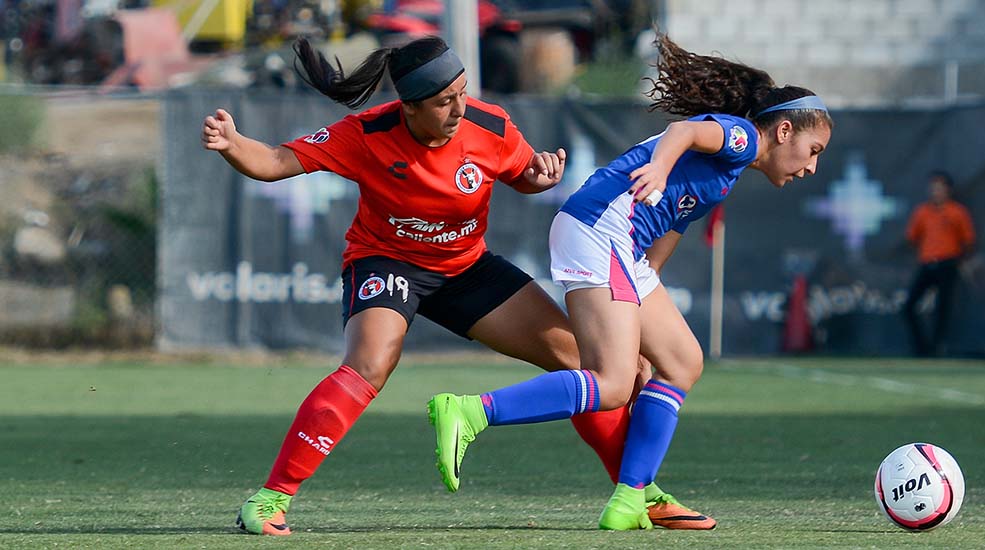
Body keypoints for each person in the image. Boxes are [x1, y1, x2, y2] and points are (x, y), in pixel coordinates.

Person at [201, 35, 696, 536]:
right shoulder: (368, 133)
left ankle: (638, 493)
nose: (459, 108)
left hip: (466, 267)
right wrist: (233, 145)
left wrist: (541, 175)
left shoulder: (489, 124)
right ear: (410, 107)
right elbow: (275, 162)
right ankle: (269, 499)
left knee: (585, 367)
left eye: (462, 93)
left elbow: (523, 174)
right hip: (387, 262)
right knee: (370, 364)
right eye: (444, 101)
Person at [428, 34, 833, 530]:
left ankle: (630, 497)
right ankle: (471, 412)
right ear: (784, 130)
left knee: (681, 362)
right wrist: (659, 169)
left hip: (622, 245)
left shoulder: (731, 168)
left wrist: (643, 296)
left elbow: (673, 224)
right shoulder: (744, 137)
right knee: (613, 382)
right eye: (813, 150)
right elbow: (684, 131)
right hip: (600, 230)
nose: (811, 166)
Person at [902, 171, 975, 357]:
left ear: (948, 190)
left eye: (940, 188)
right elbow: (911, 237)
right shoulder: (922, 212)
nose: (935, 192)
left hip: (947, 264)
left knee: (943, 308)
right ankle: (922, 347)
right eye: (933, 188)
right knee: (909, 306)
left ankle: (937, 348)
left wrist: (960, 261)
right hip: (927, 263)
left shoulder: (957, 212)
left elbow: (968, 240)